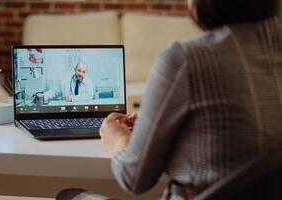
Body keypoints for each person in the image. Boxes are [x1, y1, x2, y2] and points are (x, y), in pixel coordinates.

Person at [56, 0, 282, 199]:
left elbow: (134, 177)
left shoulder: (186, 59)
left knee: (69, 195)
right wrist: (154, 123)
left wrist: (117, 139)